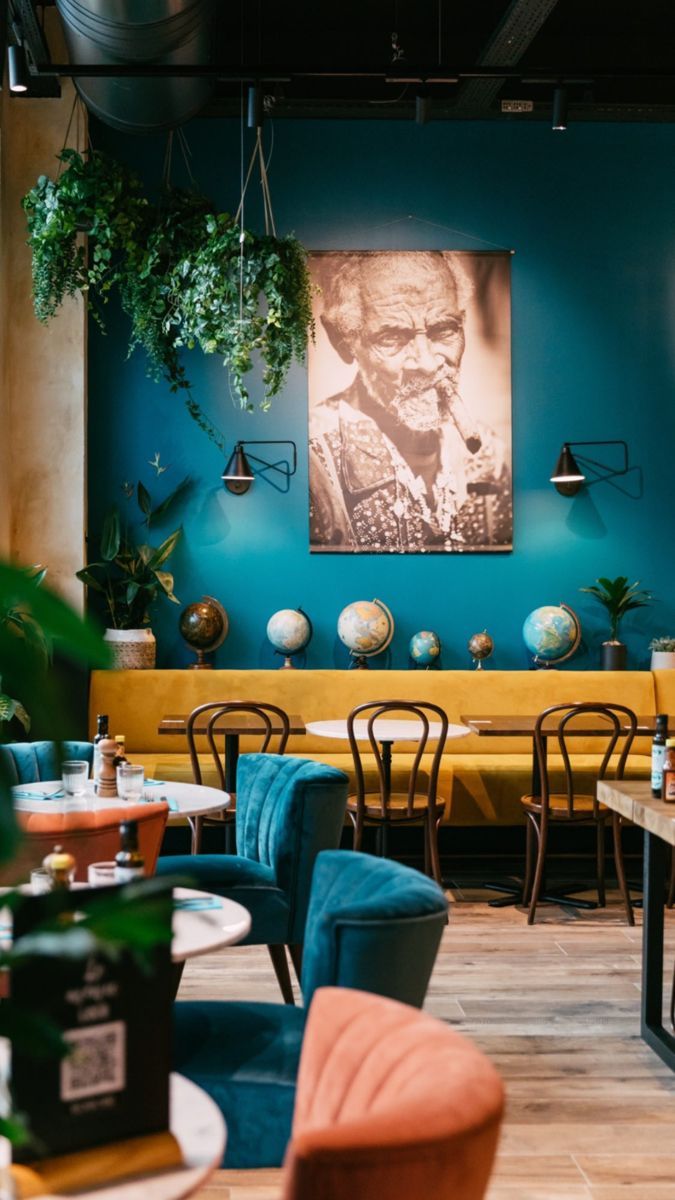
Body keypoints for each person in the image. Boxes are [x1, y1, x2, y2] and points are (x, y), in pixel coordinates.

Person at [309, 251, 512, 552]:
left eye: (444, 330)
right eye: (393, 338)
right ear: (343, 341)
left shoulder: (489, 456)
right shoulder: (314, 458)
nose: (428, 364)